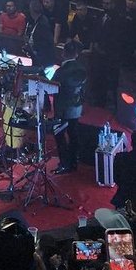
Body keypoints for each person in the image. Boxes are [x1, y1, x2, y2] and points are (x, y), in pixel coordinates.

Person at [50, 46, 88, 175]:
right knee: (73, 134)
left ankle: (64, 163)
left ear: (63, 54)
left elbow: (51, 87)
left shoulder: (61, 71)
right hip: (77, 106)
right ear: (76, 54)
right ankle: (73, 162)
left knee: (59, 135)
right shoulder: (82, 69)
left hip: (62, 108)